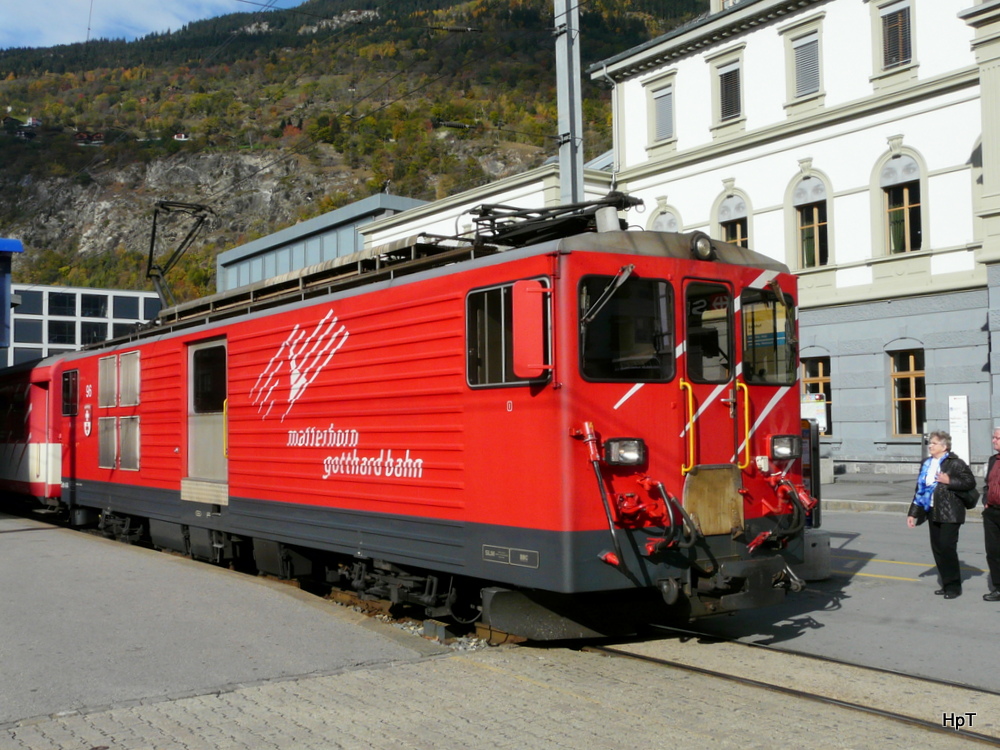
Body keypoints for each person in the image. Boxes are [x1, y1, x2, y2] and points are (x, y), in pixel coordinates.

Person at [906, 430, 976, 599]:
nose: (930, 446)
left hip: (950, 512)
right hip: (932, 512)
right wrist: (913, 513)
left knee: (947, 547)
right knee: (937, 549)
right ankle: (946, 584)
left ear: (944, 446)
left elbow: (970, 482)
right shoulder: (927, 463)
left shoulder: (955, 463)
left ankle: (953, 586)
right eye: (930, 443)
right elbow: (920, 490)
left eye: (934, 443)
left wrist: (949, 481)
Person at [981, 427, 1000, 602]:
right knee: (993, 552)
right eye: (994, 438)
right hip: (992, 512)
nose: (993, 441)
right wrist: (986, 499)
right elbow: (987, 483)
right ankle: (998, 588)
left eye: (997, 438)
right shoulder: (993, 460)